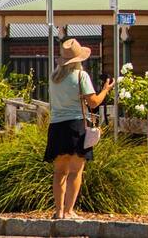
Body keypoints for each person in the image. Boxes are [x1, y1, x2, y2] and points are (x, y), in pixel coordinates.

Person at [44, 39, 112, 219]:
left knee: (59, 172)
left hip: (56, 127)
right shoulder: (81, 76)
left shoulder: (53, 77)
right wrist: (106, 89)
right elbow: (94, 103)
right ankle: (69, 210)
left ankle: (58, 211)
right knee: (75, 171)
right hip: (76, 125)